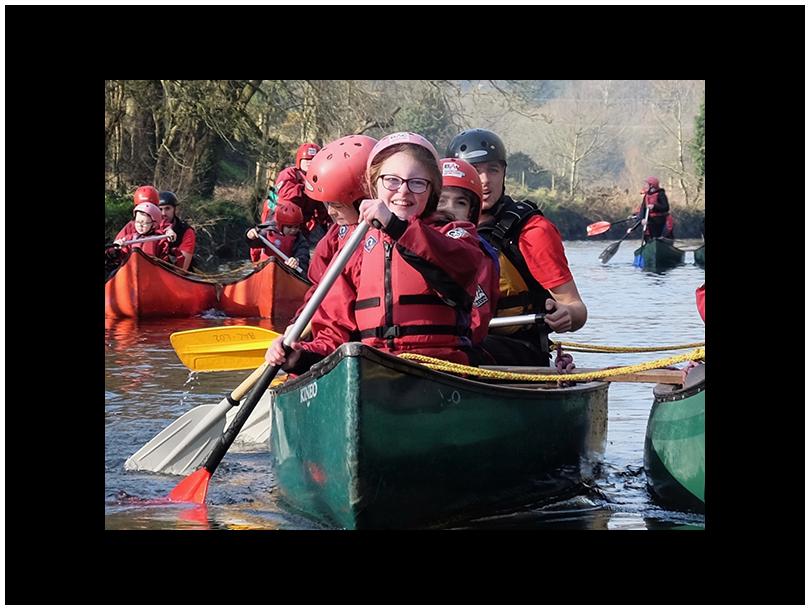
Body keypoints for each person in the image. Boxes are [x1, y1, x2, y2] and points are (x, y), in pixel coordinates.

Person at [265, 131, 486, 373]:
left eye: (417, 183)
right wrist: (301, 355)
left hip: (441, 369)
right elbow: (332, 334)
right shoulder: (354, 246)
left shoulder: (455, 234)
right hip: (376, 370)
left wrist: (396, 227)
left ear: (433, 190)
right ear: (373, 185)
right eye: (391, 180)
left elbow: (460, 270)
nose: (403, 191)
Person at [446, 128, 587, 366]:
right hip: (451, 343)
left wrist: (568, 315)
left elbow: (576, 308)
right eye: (475, 170)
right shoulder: (430, 229)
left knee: (458, 350)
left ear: (504, 173)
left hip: (518, 350)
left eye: (493, 169)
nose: (485, 180)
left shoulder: (533, 231)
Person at [435, 157, 500, 351]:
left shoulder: (479, 255)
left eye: (460, 203)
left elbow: (478, 320)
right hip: (397, 348)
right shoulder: (404, 239)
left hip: (452, 352)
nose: (449, 209)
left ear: (471, 211)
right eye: (441, 200)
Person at [271, 142, 332, 243]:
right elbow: (285, 194)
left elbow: (322, 207)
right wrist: (306, 187)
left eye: (313, 160)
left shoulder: (319, 178)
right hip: (280, 219)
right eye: (306, 160)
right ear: (299, 160)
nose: (309, 163)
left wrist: (329, 223)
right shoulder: (289, 173)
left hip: (302, 223)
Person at [246, 201, 311, 274]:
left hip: (287, 273)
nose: (293, 230)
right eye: (289, 227)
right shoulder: (267, 232)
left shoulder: (300, 240)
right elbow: (254, 243)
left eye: (296, 227)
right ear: (281, 225)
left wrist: (297, 260)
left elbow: (304, 255)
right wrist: (249, 235)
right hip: (265, 270)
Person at [108, 202, 172, 262]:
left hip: (151, 271)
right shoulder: (128, 239)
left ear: (154, 224)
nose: (140, 225)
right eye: (137, 222)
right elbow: (119, 257)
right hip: (130, 270)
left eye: (145, 223)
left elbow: (164, 261)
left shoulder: (160, 241)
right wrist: (116, 249)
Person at [158, 191, 196, 271]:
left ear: (175, 210)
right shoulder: (148, 226)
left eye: (167, 208)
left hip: (176, 274)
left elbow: (181, 270)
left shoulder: (186, 231)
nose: (163, 213)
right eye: (160, 209)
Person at [635, 176, 673, 243]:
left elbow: (666, 207)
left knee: (663, 234)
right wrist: (641, 219)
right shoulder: (646, 196)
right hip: (651, 221)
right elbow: (642, 210)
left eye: (647, 184)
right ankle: (651, 244)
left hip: (661, 220)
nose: (645, 186)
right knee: (648, 233)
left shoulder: (661, 194)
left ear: (652, 186)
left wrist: (654, 206)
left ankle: (663, 244)